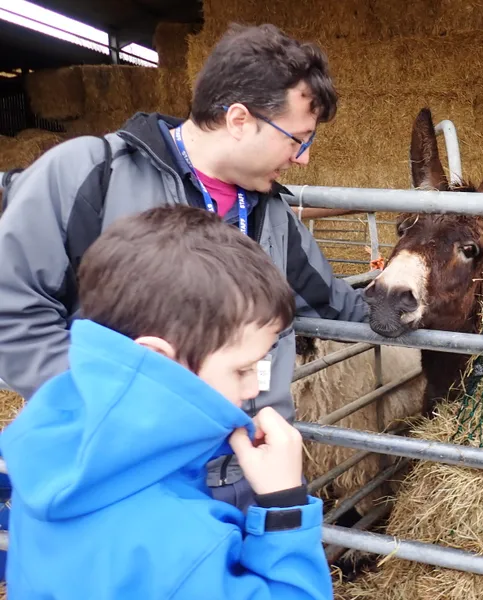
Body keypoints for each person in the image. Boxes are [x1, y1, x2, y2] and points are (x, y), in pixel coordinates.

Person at [0, 23, 370, 511]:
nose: (304, 160)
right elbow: (12, 311)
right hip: (117, 472)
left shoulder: (272, 214)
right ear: (239, 119)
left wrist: (429, 297)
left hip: (240, 473)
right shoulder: (90, 175)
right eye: (297, 139)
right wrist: (123, 405)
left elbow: (338, 304)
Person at [0, 205, 333, 599]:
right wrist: (284, 507)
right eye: (243, 370)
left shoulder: (51, 453)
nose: (252, 391)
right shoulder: (186, 543)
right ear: (161, 359)